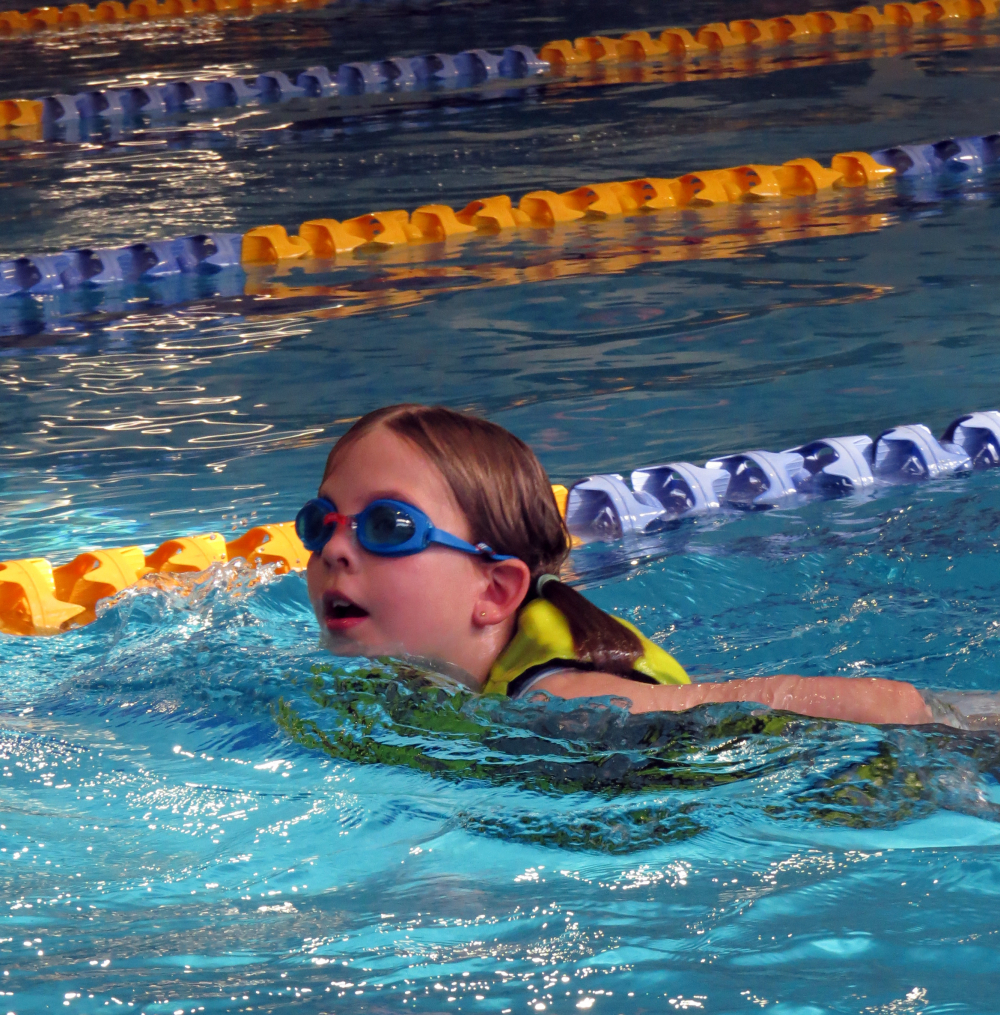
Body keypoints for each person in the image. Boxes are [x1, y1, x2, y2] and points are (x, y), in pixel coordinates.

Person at [298, 403, 991, 730]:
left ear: (497, 589)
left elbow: (764, 701)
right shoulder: (453, 674)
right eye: (320, 521)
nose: (333, 549)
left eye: (388, 527)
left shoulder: (559, 700)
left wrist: (951, 723)